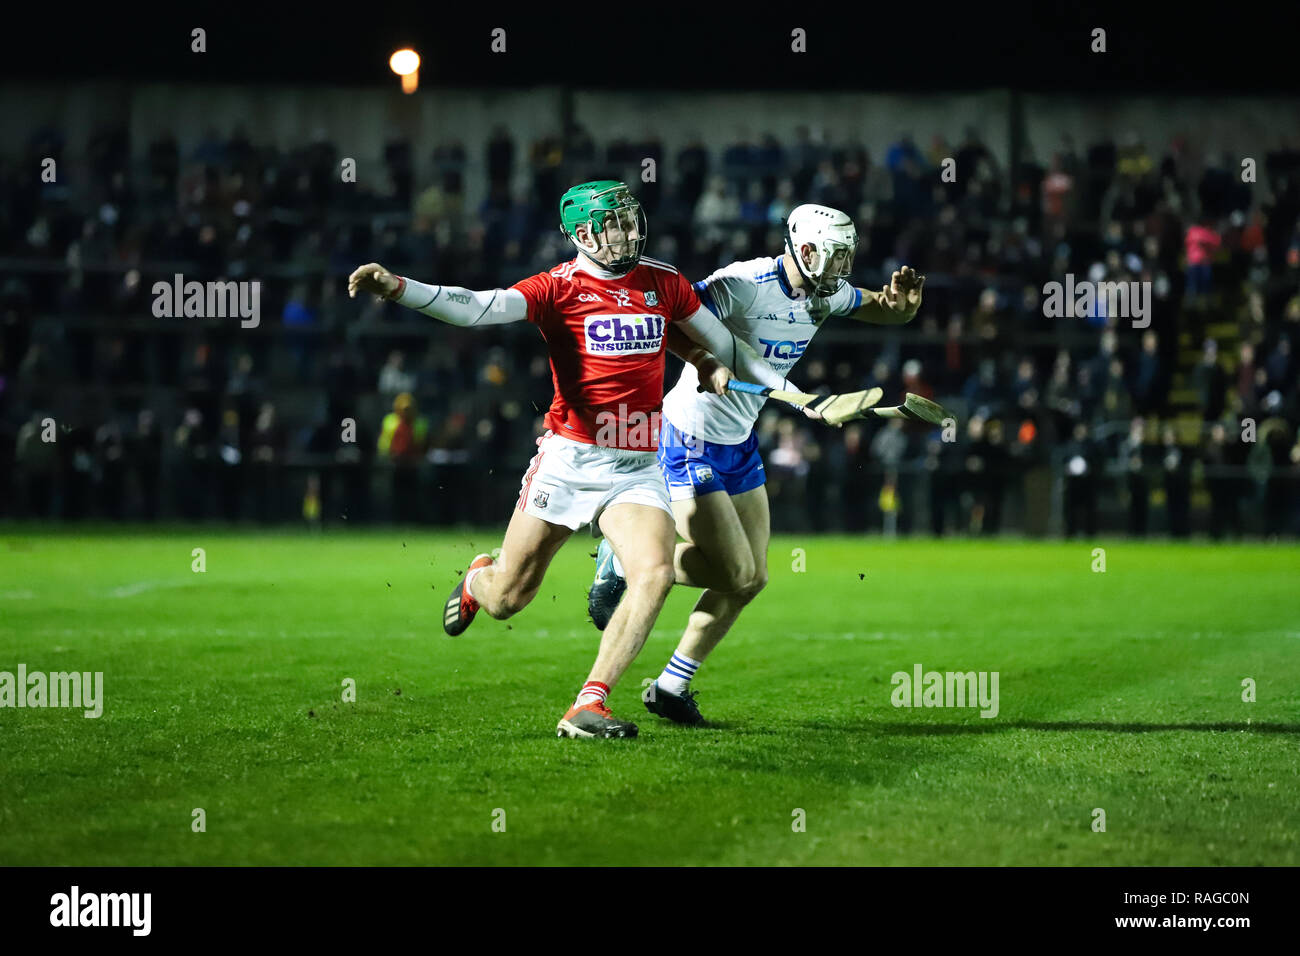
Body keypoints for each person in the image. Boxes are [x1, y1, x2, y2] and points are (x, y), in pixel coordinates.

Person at [348, 180, 808, 739]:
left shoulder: (663, 282)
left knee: (656, 572)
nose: (629, 232)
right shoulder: (556, 288)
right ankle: (478, 582)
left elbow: (718, 342)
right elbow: (474, 308)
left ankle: (588, 705)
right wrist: (399, 287)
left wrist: (719, 367)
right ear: (583, 233)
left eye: (631, 220)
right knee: (510, 598)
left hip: (639, 463)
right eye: (614, 223)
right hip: (572, 460)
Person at [587, 203, 924, 725]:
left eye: (846, 259)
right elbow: (672, 314)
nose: (841, 272)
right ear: (805, 250)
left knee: (751, 579)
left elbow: (877, 305)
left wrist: (900, 308)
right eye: (834, 258)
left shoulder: (826, 293)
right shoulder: (743, 283)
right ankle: (626, 556)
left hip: (738, 443)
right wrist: (711, 361)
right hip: (687, 438)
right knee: (733, 567)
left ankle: (672, 686)